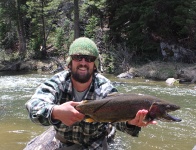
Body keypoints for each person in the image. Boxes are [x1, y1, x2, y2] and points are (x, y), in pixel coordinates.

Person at [25, 37, 157, 150]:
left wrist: (131, 123)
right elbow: (34, 105)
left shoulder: (104, 87)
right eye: (78, 57)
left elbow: (118, 120)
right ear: (70, 63)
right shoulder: (58, 82)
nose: (83, 62)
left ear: (95, 65)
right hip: (65, 143)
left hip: (96, 143)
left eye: (89, 59)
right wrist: (56, 111)